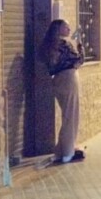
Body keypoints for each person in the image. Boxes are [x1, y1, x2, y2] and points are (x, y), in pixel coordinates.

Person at [40, 19, 85, 164]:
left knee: (67, 115)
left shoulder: (47, 46)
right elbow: (79, 60)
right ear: (59, 29)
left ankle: (60, 150)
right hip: (69, 79)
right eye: (66, 27)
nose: (69, 29)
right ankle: (68, 152)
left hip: (57, 80)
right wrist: (79, 44)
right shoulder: (65, 45)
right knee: (71, 117)